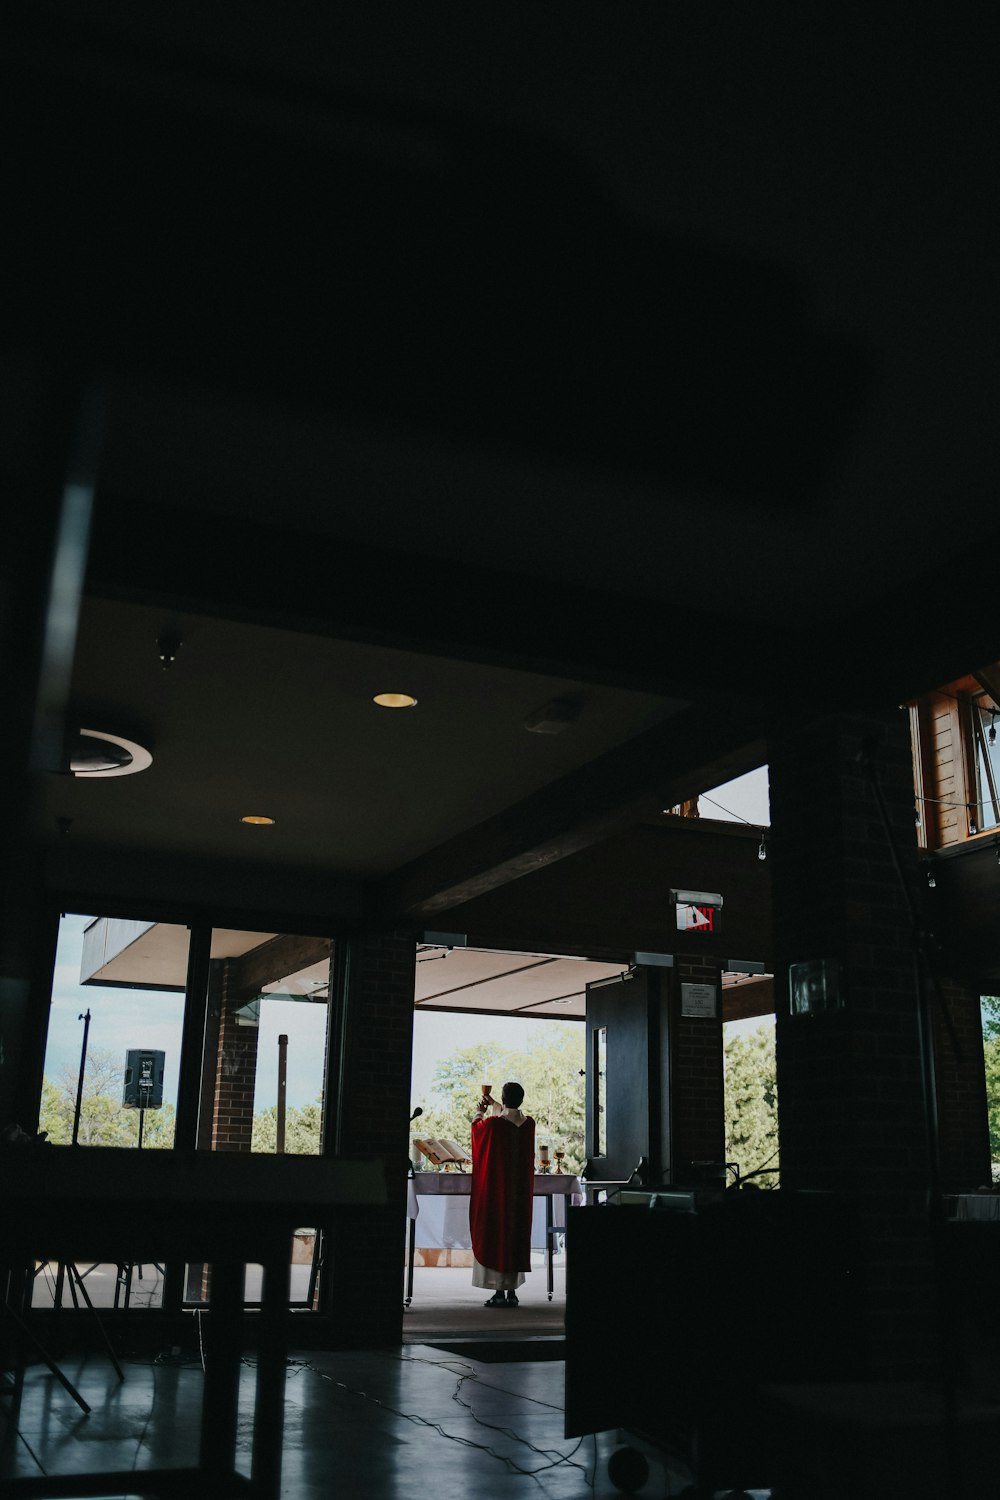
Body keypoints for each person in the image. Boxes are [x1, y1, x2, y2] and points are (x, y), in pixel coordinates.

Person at [469, 1080, 535, 1307]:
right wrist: (494, 1102)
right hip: (518, 1195)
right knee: (513, 1236)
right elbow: (510, 1113)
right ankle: (512, 1292)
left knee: (496, 1235)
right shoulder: (529, 1125)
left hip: (497, 1193)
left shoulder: (494, 1125)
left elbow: (478, 1131)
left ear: (504, 1099)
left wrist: (479, 1112)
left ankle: (498, 1292)